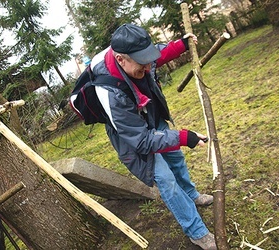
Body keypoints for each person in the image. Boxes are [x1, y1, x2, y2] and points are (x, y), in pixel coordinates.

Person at [90, 23, 217, 250]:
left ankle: (191, 195)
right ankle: (196, 231)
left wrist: (182, 45)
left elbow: (157, 54)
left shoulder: (138, 57)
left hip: (149, 112)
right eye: (142, 63)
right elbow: (141, 140)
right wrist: (182, 136)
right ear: (121, 60)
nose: (148, 67)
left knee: (175, 158)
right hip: (132, 133)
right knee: (165, 179)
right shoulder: (109, 92)